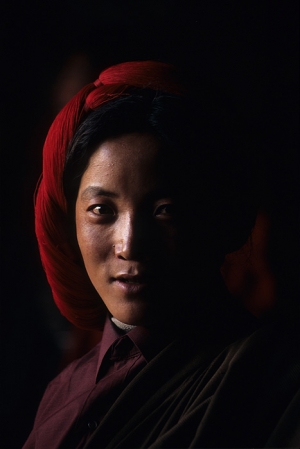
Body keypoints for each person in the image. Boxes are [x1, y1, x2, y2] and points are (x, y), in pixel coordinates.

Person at [23, 61, 299, 448]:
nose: (130, 244)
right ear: (70, 224)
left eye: (164, 209)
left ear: (220, 216)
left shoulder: (271, 383)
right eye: (101, 210)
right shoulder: (64, 389)